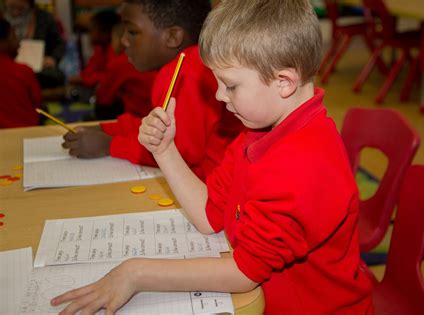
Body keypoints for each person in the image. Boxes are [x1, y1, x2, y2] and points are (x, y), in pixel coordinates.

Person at [51, 0, 373, 314]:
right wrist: (165, 150)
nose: (220, 96)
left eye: (230, 86)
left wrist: (137, 273)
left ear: (284, 82)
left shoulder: (301, 165)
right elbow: (209, 214)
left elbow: (244, 274)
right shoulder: (259, 129)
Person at [62, 0, 242, 182]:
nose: (124, 40)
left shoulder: (186, 74)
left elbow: (178, 153)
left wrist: (109, 145)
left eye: (132, 32)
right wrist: (107, 129)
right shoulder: (191, 63)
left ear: (172, 37)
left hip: (208, 191)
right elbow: (158, 126)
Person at [93, 21, 156, 120]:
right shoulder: (153, 58)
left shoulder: (119, 64)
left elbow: (104, 99)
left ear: (121, 40)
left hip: (138, 121)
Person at [3, 0, 65, 88]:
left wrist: (53, 58)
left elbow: (59, 43)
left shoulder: (44, 18)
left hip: (38, 70)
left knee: (56, 76)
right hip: (6, 71)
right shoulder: (2, 17)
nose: (17, 4)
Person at [0, 17, 41, 128]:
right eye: (14, 37)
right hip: (27, 135)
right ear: (3, 41)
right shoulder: (23, 71)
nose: (19, 43)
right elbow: (38, 103)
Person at [68, 10, 120, 88]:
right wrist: (83, 78)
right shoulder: (100, 48)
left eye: (92, 30)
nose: (89, 35)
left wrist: (84, 80)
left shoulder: (116, 51)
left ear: (105, 31)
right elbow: (88, 71)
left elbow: (110, 78)